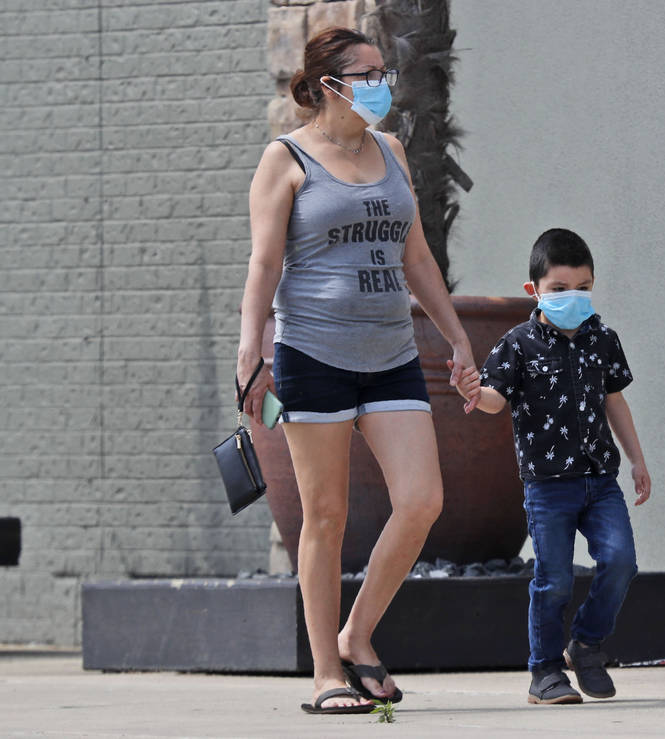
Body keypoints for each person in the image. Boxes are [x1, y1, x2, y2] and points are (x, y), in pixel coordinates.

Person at [235, 27, 481, 715]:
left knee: (422, 497)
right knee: (326, 513)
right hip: (314, 356)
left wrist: (458, 338)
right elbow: (263, 264)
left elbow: (419, 258)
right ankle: (325, 673)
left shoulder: (392, 151)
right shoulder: (284, 160)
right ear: (327, 83)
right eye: (367, 73)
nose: (382, 84)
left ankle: (358, 631)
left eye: (384, 72)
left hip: (391, 354)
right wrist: (249, 349)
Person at [453, 228, 651, 704]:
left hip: (600, 480)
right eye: (560, 289)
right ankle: (544, 673)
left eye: (582, 287)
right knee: (554, 578)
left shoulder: (603, 338)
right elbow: (496, 400)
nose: (573, 297)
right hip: (547, 486)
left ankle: (586, 645)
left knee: (621, 561)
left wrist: (637, 458)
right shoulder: (517, 344)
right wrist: (473, 394)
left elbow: (614, 400)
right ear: (534, 290)